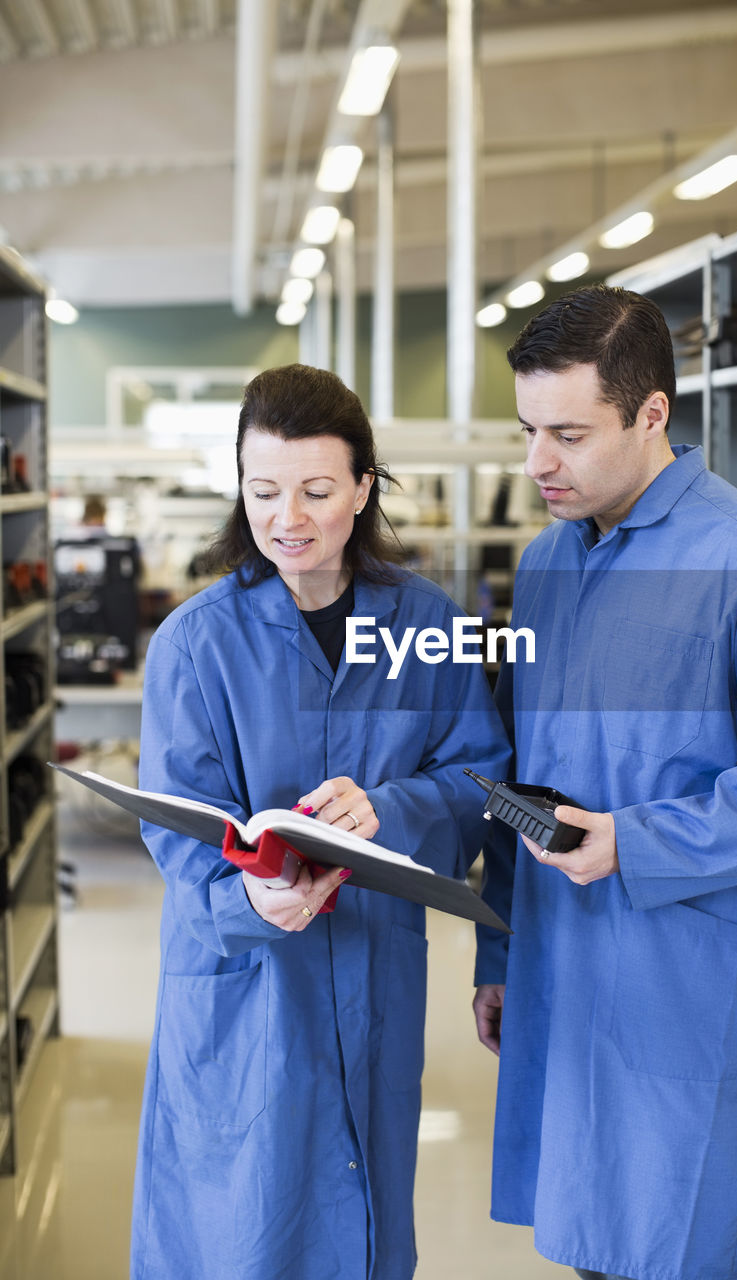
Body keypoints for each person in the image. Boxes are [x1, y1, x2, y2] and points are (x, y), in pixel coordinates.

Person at [472, 284, 737, 1280]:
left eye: (566, 432)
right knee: (592, 1242)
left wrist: (636, 842)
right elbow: (527, 775)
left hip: (681, 986)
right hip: (561, 963)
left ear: (651, 414)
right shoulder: (550, 565)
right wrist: (495, 948)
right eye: (527, 430)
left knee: (671, 1240)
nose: (536, 463)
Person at [131, 364, 510, 1280]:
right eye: (262, 491)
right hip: (245, 977)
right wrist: (251, 899)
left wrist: (395, 806)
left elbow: (483, 778)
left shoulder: (426, 623)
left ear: (363, 488)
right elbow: (175, 821)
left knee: (363, 1219)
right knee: (237, 1228)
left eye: (315, 490)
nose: (286, 518)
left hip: (375, 966)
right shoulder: (196, 641)